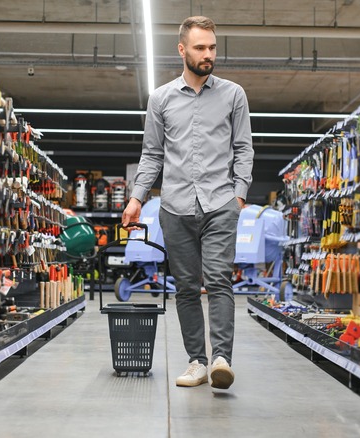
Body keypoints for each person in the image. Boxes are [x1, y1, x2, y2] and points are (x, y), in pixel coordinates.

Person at [121, 16, 253, 390]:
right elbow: (151, 156)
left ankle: (221, 359)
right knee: (185, 287)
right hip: (175, 206)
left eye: (212, 47)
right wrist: (135, 199)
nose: (208, 54)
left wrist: (238, 194)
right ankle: (196, 361)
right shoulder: (161, 99)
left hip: (220, 203)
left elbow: (243, 148)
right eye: (200, 47)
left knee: (218, 280)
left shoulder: (233, 94)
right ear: (182, 50)